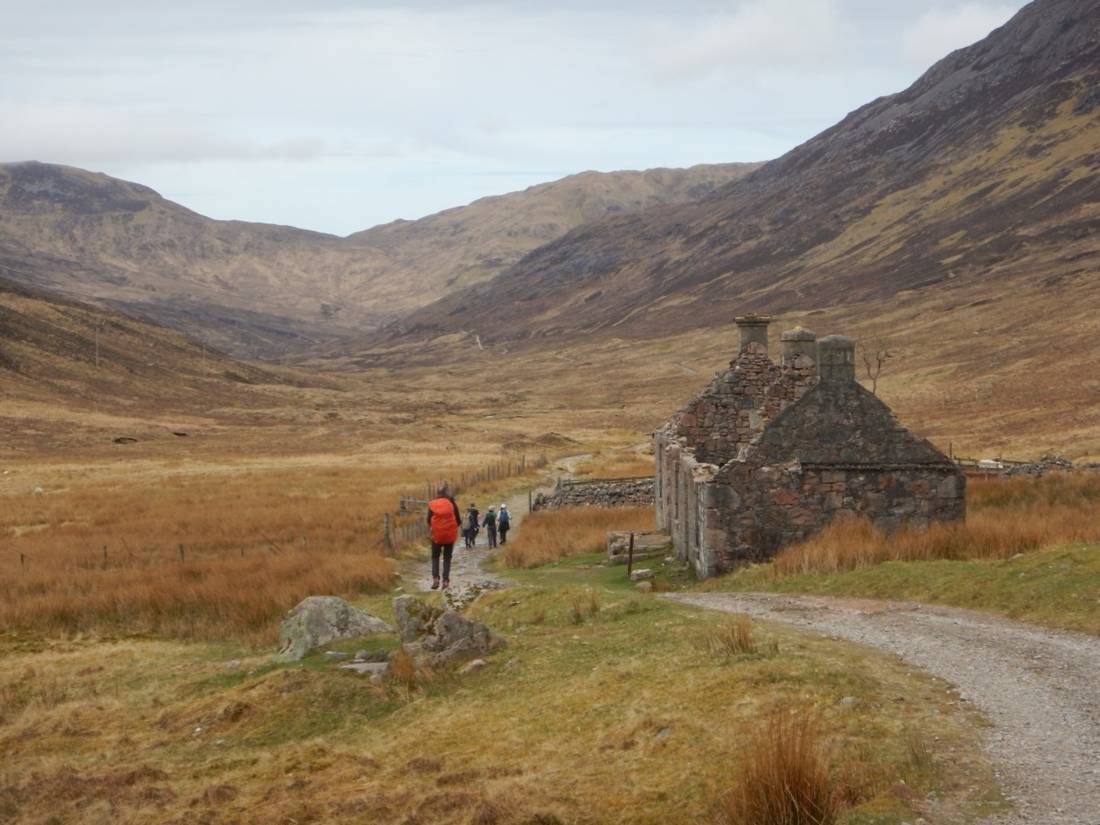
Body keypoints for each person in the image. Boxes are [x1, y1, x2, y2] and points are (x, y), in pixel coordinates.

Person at [426, 486, 460, 590]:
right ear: (447, 493)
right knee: (447, 558)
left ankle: (436, 579)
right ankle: (445, 581)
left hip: (437, 535)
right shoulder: (452, 503)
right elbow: (458, 520)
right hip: (449, 535)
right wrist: (451, 528)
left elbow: (428, 520)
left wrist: (435, 528)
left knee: (435, 557)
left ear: (437, 493)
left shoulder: (434, 503)